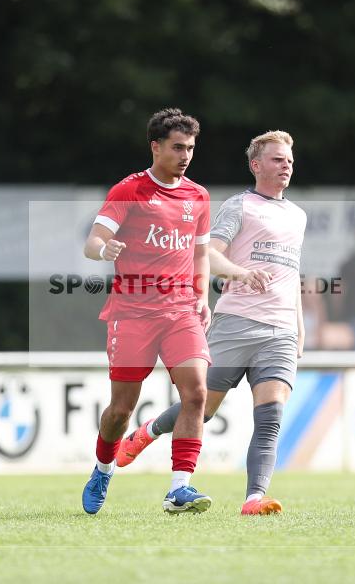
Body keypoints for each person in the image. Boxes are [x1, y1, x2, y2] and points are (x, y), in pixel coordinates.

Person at [116, 130, 307, 516]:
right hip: (236, 322)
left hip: (281, 332)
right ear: (256, 165)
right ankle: (148, 431)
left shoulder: (298, 215)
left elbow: (292, 273)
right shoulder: (240, 206)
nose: (285, 165)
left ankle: (255, 498)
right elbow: (207, 256)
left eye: (288, 159)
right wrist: (240, 272)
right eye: (276, 159)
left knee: (270, 417)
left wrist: (299, 329)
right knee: (200, 409)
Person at [81, 108, 212, 515]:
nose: (185, 155)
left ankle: (179, 488)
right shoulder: (129, 190)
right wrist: (107, 249)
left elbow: (201, 253)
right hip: (132, 313)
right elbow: (92, 242)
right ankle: (103, 468)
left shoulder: (198, 196)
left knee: (197, 394)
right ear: (156, 147)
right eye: (177, 147)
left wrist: (203, 295)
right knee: (121, 409)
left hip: (180, 312)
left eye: (190, 148)